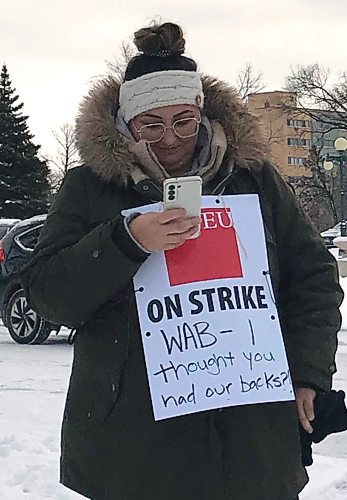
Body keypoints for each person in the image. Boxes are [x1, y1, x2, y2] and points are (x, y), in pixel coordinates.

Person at [21, 21, 343, 500]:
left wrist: (308, 373)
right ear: (125, 124)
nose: (170, 138)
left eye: (184, 121)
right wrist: (126, 241)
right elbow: (49, 297)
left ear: (202, 115)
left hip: (252, 448)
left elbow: (314, 280)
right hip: (134, 454)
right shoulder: (90, 188)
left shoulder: (255, 181)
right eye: (151, 124)